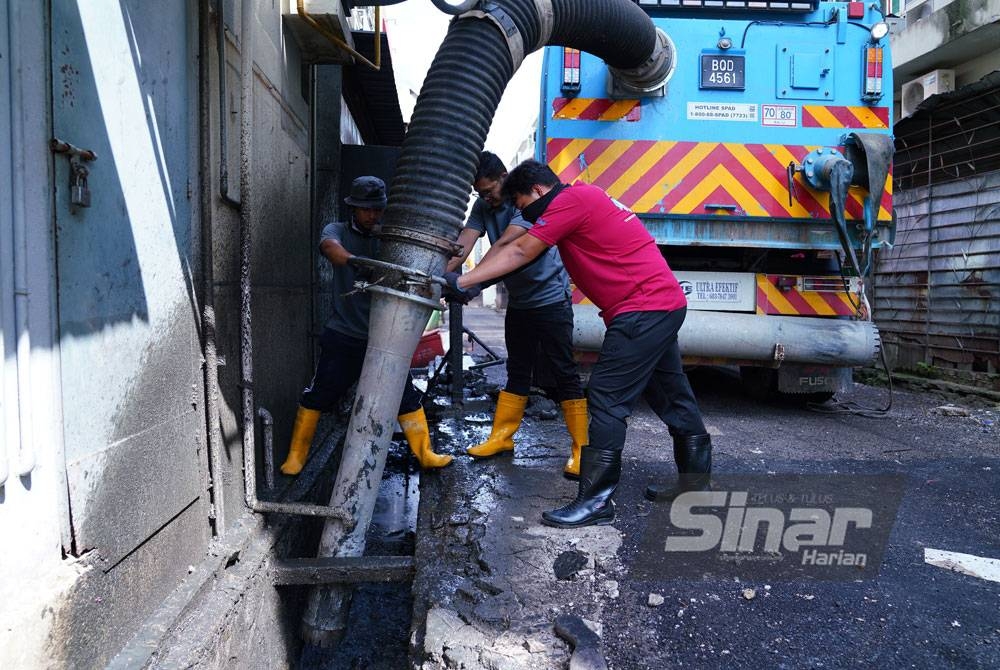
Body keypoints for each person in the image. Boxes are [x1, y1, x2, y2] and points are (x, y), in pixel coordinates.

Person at [445, 161, 711, 529]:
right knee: (671, 393)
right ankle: (696, 488)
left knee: (605, 397)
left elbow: (521, 251)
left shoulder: (571, 201)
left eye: (522, 206)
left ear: (538, 191)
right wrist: (468, 279)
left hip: (642, 308)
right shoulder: (583, 197)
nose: (524, 214)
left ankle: (597, 501)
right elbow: (514, 246)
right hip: (659, 304)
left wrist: (461, 282)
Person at [280, 176, 452, 475]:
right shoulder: (339, 231)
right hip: (345, 334)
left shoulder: (389, 238)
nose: (373, 215)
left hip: (386, 336)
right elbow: (330, 248)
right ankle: (296, 457)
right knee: (320, 393)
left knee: (405, 396)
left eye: (377, 209)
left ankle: (425, 454)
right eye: (366, 209)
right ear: (353, 209)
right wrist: (355, 261)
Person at [445, 151, 588, 478]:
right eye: (479, 193)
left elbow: (507, 249)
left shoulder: (523, 202)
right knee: (518, 370)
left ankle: (582, 449)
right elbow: (465, 243)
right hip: (521, 302)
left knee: (563, 371)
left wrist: (470, 282)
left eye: (490, 190)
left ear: (504, 178)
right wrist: (442, 273)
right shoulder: (483, 207)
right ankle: (502, 437)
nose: (486, 198)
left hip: (551, 300)